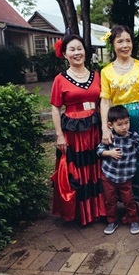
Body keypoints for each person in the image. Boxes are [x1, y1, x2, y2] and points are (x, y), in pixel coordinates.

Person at [100, 25, 139, 227]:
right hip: (118, 121)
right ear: (113, 45)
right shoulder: (106, 72)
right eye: (120, 41)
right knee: (121, 163)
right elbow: (105, 101)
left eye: (128, 41)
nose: (125, 45)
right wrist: (106, 129)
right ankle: (125, 207)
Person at [50, 34, 106, 226]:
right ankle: (83, 214)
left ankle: (100, 210)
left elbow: (103, 102)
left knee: (96, 168)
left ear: (85, 51)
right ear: (64, 54)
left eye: (79, 48)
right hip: (73, 133)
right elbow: (55, 108)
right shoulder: (60, 79)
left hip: (94, 130)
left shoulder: (96, 75)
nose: (77, 53)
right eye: (72, 50)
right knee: (79, 170)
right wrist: (59, 135)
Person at [96, 105, 139, 235]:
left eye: (126, 123)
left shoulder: (133, 137)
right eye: (120, 124)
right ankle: (112, 221)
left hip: (126, 177)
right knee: (110, 200)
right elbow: (99, 150)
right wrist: (109, 153)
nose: (124, 127)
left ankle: (133, 219)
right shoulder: (109, 137)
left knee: (129, 199)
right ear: (110, 125)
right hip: (109, 176)